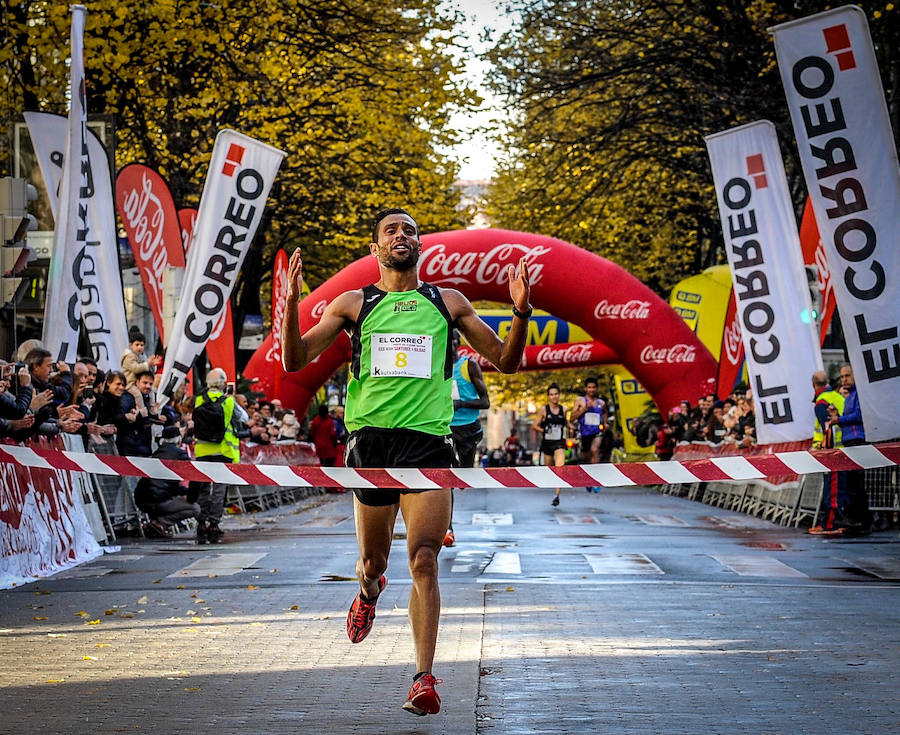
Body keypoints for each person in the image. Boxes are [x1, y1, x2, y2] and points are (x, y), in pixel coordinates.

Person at [282, 207, 530, 717]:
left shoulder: (448, 302)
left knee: (424, 557)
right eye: (391, 230)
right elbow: (293, 360)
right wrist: (290, 305)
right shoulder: (354, 303)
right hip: (371, 447)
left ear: (420, 246)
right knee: (375, 562)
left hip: (428, 446)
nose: (402, 236)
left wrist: (521, 314)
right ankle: (368, 592)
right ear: (375, 248)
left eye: (410, 231)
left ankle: (423, 677)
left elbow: (506, 361)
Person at [189, 368, 247, 544]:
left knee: (204, 489)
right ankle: (214, 524)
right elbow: (243, 418)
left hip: (203, 450)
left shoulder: (199, 400)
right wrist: (233, 397)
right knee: (219, 489)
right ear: (223, 384)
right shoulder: (228, 402)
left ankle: (201, 523)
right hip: (223, 451)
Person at [446, 330, 490, 546]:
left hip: (469, 429)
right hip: (445, 427)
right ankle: (448, 527)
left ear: (458, 343)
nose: (450, 346)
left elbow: (485, 402)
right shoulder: (436, 367)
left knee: (463, 474)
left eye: (453, 342)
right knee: (448, 479)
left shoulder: (468, 366)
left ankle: (462, 474)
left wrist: (461, 404)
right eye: (446, 342)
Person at [825, 364, 871, 534]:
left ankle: (862, 521)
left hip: (857, 440)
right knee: (852, 483)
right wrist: (838, 416)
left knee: (857, 483)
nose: (844, 379)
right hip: (849, 441)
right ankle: (856, 520)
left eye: (847, 376)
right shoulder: (850, 395)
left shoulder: (859, 393)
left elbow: (860, 415)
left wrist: (839, 420)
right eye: (842, 376)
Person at [134, 425, 200, 537]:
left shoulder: (156, 453)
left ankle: (156, 522)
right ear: (178, 439)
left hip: (142, 500)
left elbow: (167, 484)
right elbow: (193, 476)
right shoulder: (180, 454)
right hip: (160, 500)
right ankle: (160, 523)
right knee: (195, 508)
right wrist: (188, 495)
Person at [808, 370, 848, 535]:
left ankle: (830, 524)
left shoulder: (821, 402)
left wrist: (823, 447)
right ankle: (840, 521)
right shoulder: (837, 397)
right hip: (844, 448)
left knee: (832, 490)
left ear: (813, 384)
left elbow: (827, 427)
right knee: (841, 488)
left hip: (832, 451)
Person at [532, 382, 568, 506]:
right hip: (547, 443)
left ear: (559, 395)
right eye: (551, 395)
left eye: (556, 394)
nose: (554, 397)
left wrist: (572, 426)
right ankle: (554, 486)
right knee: (550, 469)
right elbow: (534, 426)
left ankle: (556, 495)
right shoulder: (543, 409)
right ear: (548, 396)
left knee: (560, 468)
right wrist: (544, 430)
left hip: (559, 442)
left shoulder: (564, 409)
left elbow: (566, 422)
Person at [570, 377, 606, 464]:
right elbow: (571, 418)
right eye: (589, 387)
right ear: (585, 389)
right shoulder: (580, 401)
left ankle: (597, 473)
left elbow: (605, 413)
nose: (592, 390)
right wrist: (584, 409)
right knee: (586, 457)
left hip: (597, 432)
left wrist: (605, 423)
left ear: (596, 388)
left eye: (593, 387)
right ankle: (590, 473)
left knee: (594, 449)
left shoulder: (601, 403)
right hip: (584, 433)